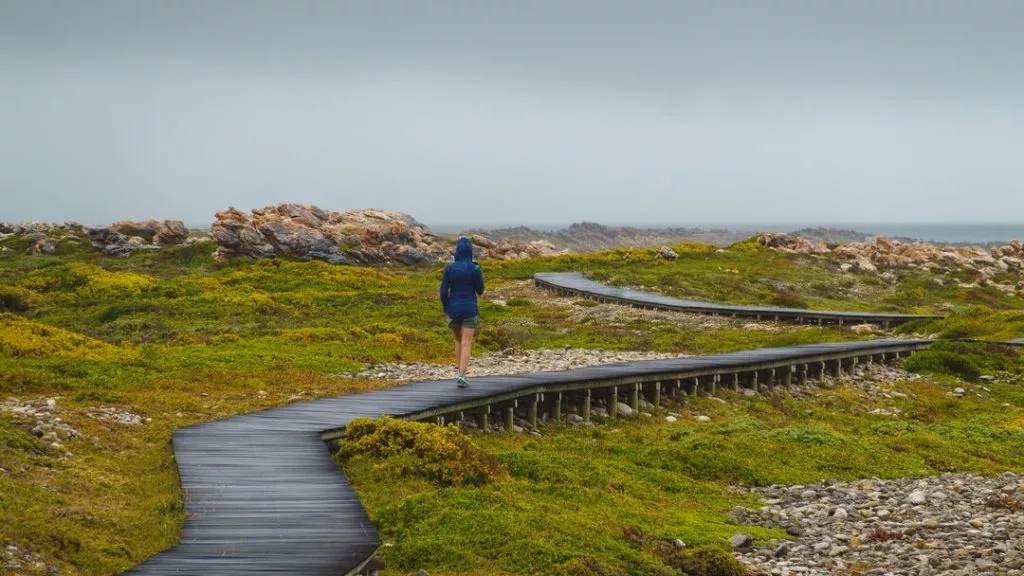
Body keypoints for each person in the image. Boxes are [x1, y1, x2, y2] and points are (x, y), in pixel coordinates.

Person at [440, 237, 484, 387]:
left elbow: (443, 293)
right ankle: (462, 375)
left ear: (457, 251)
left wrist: (447, 307)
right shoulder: (475, 268)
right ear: (470, 251)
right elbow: (480, 290)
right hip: (470, 309)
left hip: (453, 309)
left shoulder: (449, 269)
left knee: (458, 340)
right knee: (466, 342)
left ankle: (458, 368)